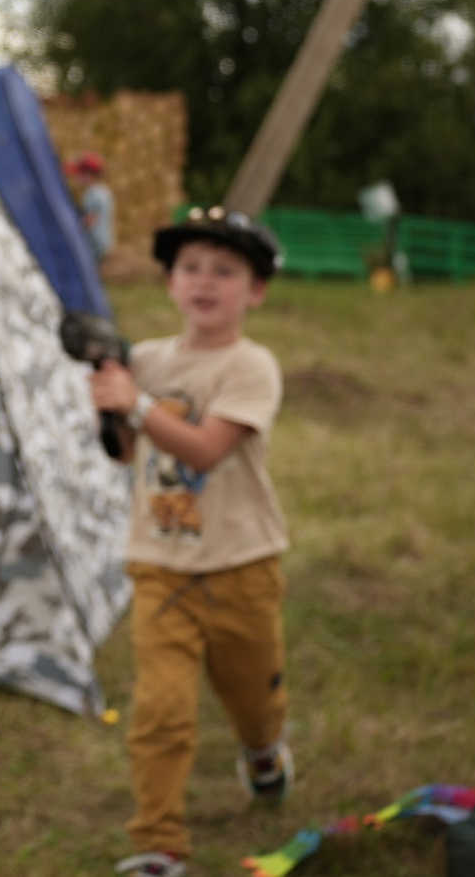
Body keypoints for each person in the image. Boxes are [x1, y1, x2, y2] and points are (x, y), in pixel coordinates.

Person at [87, 207, 293, 877]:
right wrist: (110, 401)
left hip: (242, 564)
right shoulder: (145, 357)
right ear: (171, 281)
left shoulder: (251, 365)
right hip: (161, 565)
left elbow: (204, 447)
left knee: (253, 696)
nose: (205, 281)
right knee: (161, 709)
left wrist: (138, 404)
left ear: (255, 290)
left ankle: (263, 748)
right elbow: (124, 452)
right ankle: (160, 843)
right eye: (191, 267)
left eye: (225, 271)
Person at [74, 152, 117, 263]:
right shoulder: (104, 191)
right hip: (105, 242)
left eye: (80, 173)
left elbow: (89, 221)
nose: (77, 177)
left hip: (94, 246)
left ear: (89, 174)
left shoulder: (92, 194)